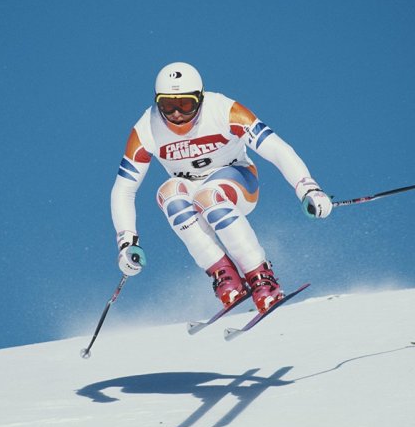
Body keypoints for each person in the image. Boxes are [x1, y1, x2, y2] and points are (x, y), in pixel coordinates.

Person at [110, 62, 332, 314]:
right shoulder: (146, 129)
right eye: (167, 105)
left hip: (237, 180)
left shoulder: (224, 110)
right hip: (191, 187)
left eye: (185, 105)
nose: (176, 115)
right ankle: (223, 274)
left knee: (208, 196)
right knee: (168, 193)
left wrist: (308, 188)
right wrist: (126, 243)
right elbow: (124, 190)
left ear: (200, 99)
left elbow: (277, 149)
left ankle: (261, 277)